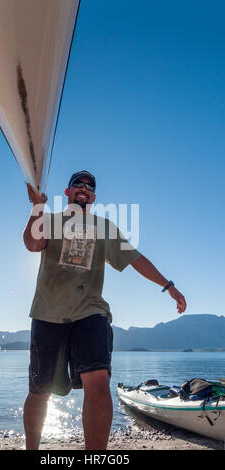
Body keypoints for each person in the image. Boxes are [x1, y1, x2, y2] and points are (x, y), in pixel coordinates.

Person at [22, 170, 186, 450]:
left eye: (90, 186)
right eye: (78, 184)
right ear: (68, 192)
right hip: (48, 313)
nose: (84, 188)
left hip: (91, 312)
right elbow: (32, 244)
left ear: (94, 196)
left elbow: (136, 259)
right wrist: (37, 206)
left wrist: (168, 285)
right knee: (40, 391)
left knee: (98, 380)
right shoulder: (49, 221)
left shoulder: (105, 228)